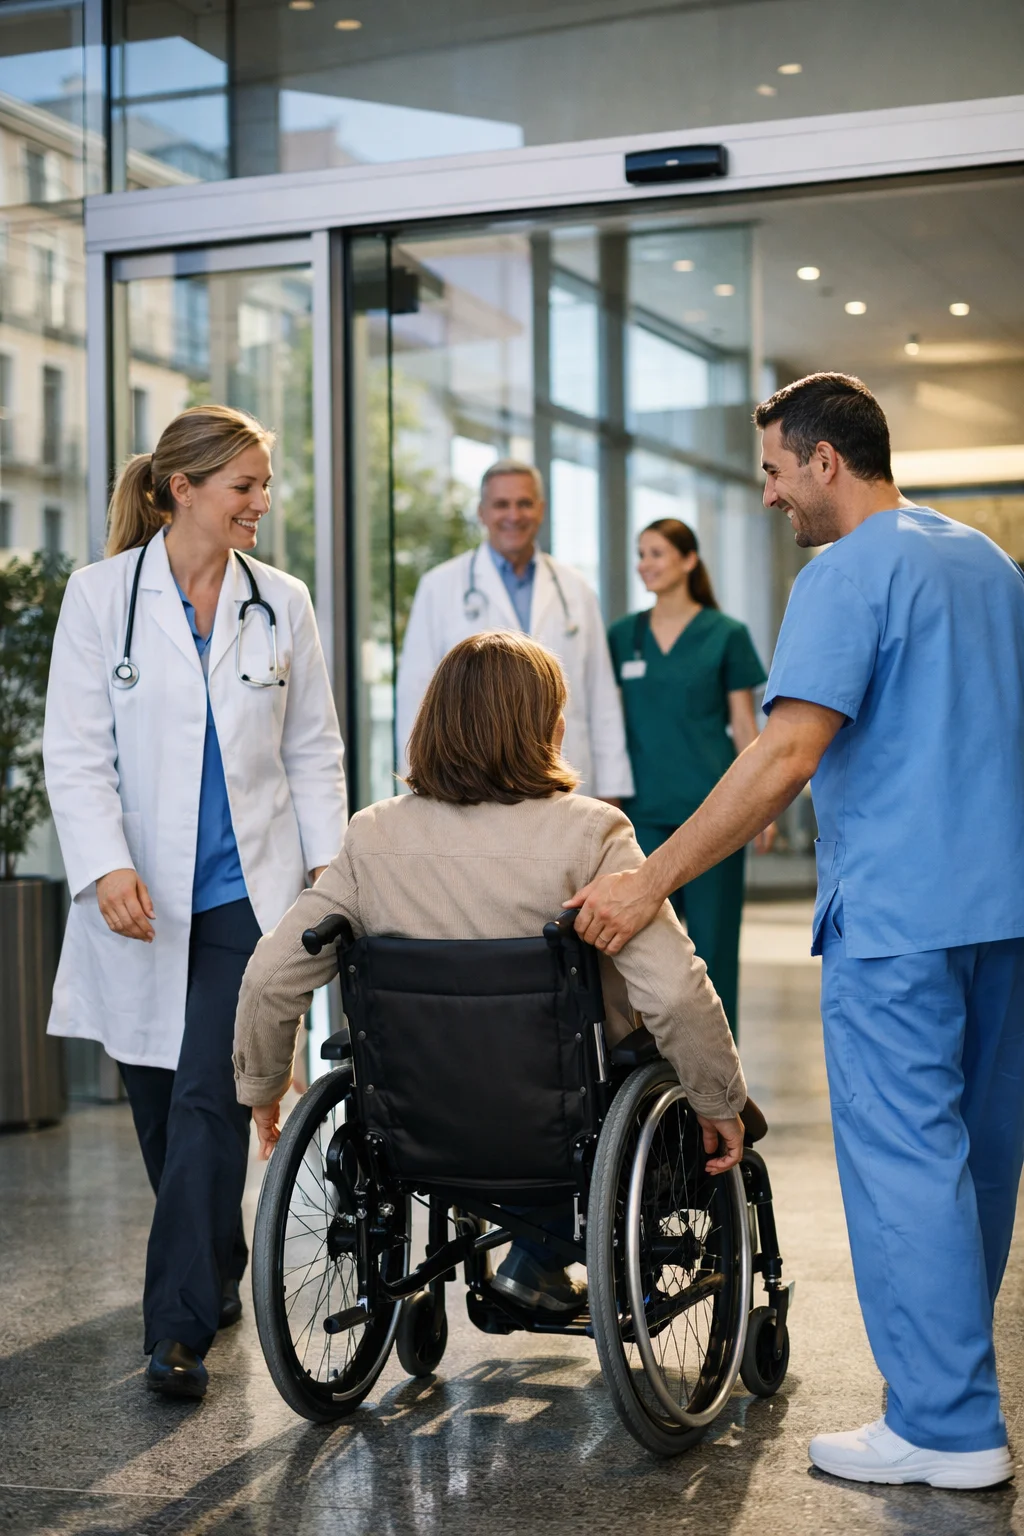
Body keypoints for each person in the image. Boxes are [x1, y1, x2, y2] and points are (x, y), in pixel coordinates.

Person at [568, 372, 1024, 1490]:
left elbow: (781, 756)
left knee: (904, 1162)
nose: (768, 497)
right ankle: (943, 1395)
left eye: (774, 470)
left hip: (898, 922)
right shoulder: (986, 563)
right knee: (977, 1161)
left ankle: (946, 1424)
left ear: (827, 460)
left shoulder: (843, 573)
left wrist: (647, 882)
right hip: (1004, 908)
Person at [233, 630, 747, 1313]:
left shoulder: (373, 836)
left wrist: (264, 1087)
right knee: (639, 1064)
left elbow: (271, 977)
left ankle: (537, 1255)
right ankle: (559, 1249)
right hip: (563, 1121)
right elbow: (677, 995)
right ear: (551, 730)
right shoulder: (591, 834)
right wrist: (719, 1101)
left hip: (419, 1121)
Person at [43, 405, 346, 1403]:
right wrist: (104, 866)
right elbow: (76, 752)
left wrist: (326, 873)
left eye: (263, 484)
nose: (262, 503)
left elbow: (313, 751)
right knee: (165, 1109)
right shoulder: (101, 598)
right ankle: (213, 1263)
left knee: (214, 1093)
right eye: (245, 486)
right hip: (137, 896)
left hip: (243, 897)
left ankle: (174, 1331)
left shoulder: (280, 599)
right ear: (184, 491)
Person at [608, 518, 771, 1035]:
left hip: (714, 813)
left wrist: (762, 804)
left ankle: (723, 1081)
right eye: (641, 554)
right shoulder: (622, 636)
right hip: (642, 817)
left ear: (688, 560)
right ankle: (656, 1080)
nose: (645, 564)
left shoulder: (725, 635)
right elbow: (603, 723)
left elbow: (745, 723)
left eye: (657, 553)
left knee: (715, 948)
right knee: (648, 955)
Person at [395, 459, 633, 801]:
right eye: (501, 504)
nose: (513, 515)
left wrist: (612, 792)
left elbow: (601, 698)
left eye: (524, 503)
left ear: (541, 509)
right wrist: (416, 784)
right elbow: (415, 696)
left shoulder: (575, 587)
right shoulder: (439, 587)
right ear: (481, 512)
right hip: (471, 781)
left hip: (564, 777)